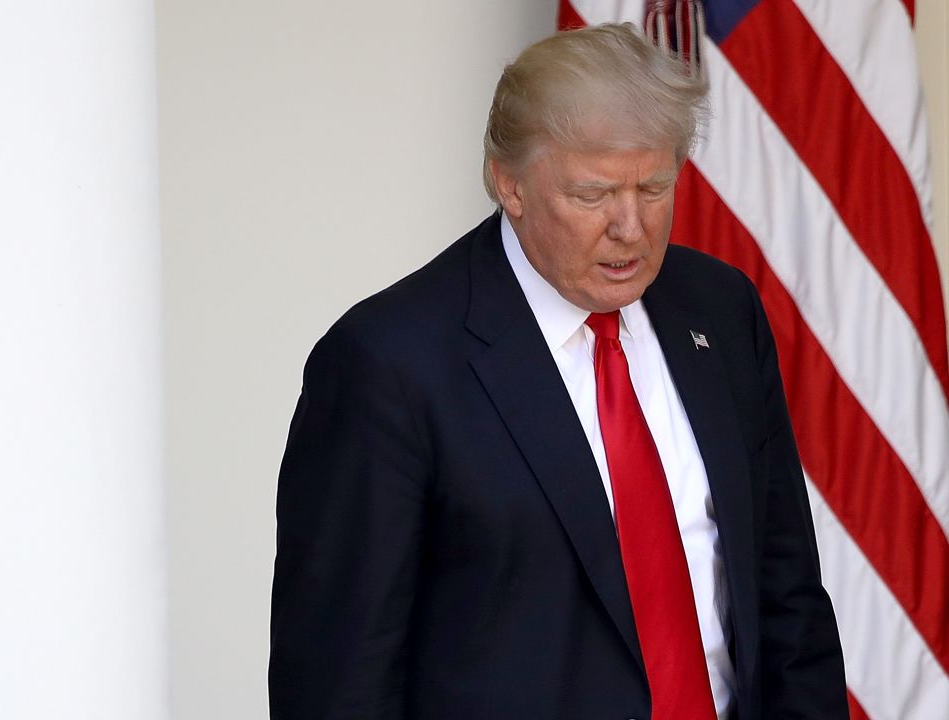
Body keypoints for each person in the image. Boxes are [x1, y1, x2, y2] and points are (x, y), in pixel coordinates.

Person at [268, 22, 846, 720]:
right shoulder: (387, 364)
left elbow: (787, 597)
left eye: (654, 186)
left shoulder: (721, 311)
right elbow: (339, 684)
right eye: (593, 195)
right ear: (508, 183)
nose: (631, 226)